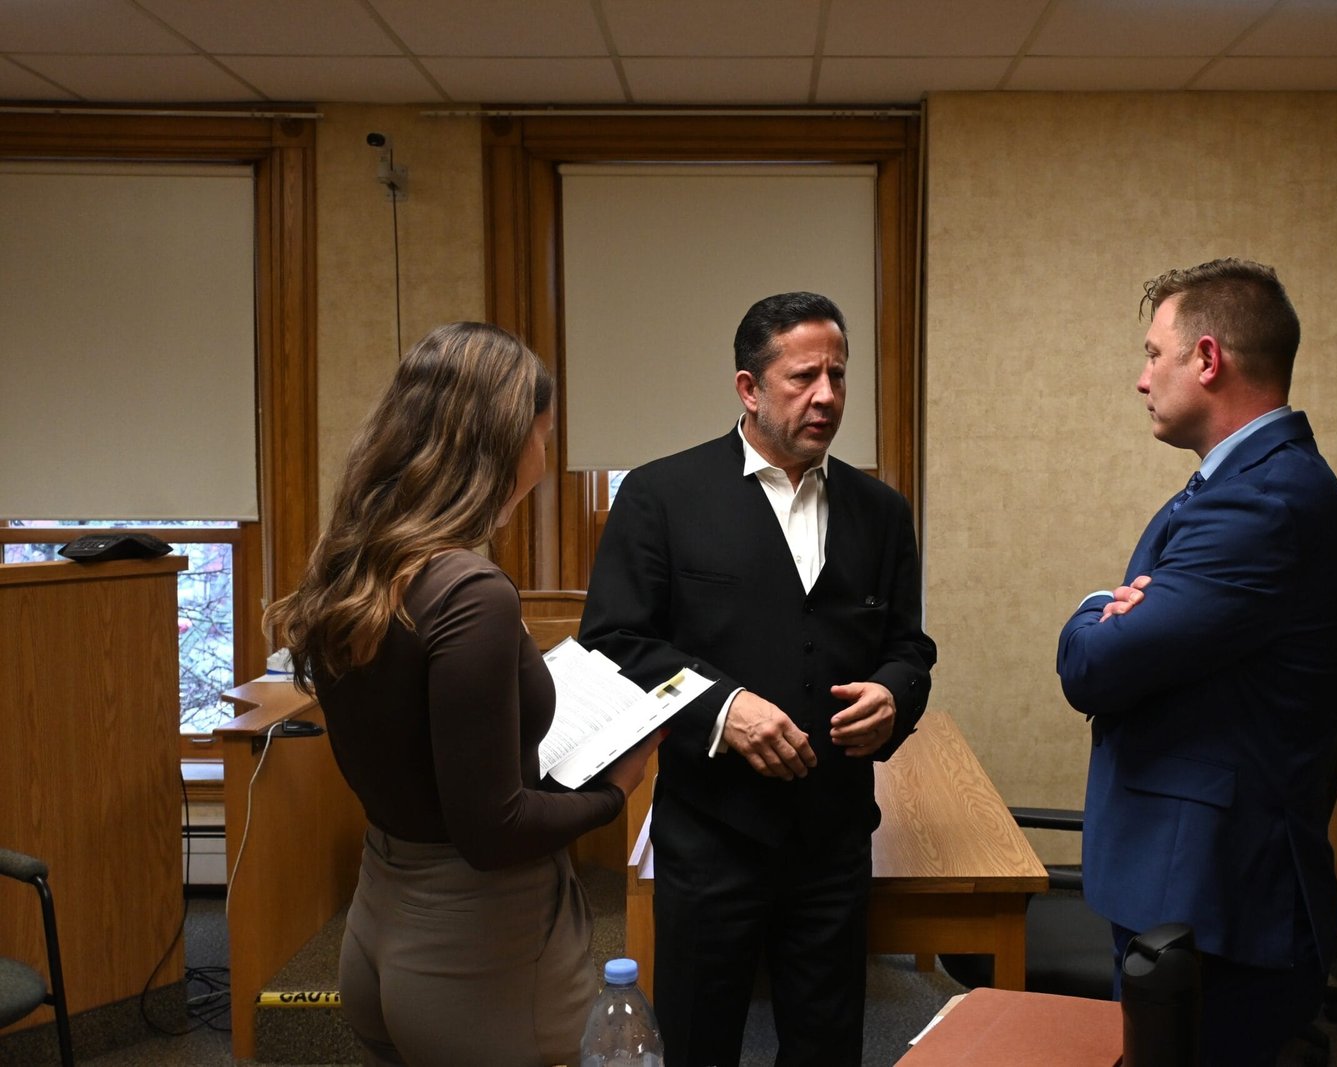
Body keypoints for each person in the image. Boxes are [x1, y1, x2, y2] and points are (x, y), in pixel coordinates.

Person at [263, 322, 660, 1067]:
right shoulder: (472, 592)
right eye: (544, 433)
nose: (547, 456)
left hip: (381, 926)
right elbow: (491, 829)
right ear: (504, 445)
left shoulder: (357, 564)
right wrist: (616, 788)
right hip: (480, 959)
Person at [580, 291, 937, 1066]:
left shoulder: (882, 512)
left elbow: (911, 648)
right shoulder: (660, 496)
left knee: (827, 1047)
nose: (827, 396)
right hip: (711, 839)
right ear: (748, 388)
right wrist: (723, 708)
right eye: (803, 377)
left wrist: (895, 694)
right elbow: (613, 643)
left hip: (834, 842)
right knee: (698, 1045)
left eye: (838, 376)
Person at [1056, 259, 1337, 1065]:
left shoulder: (1260, 501)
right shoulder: (1233, 487)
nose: (1140, 378)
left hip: (1212, 895)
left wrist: (1097, 605)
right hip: (1185, 880)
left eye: (1153, 354)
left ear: (1207, 358)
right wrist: (1128, 609)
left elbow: (1095, 665)